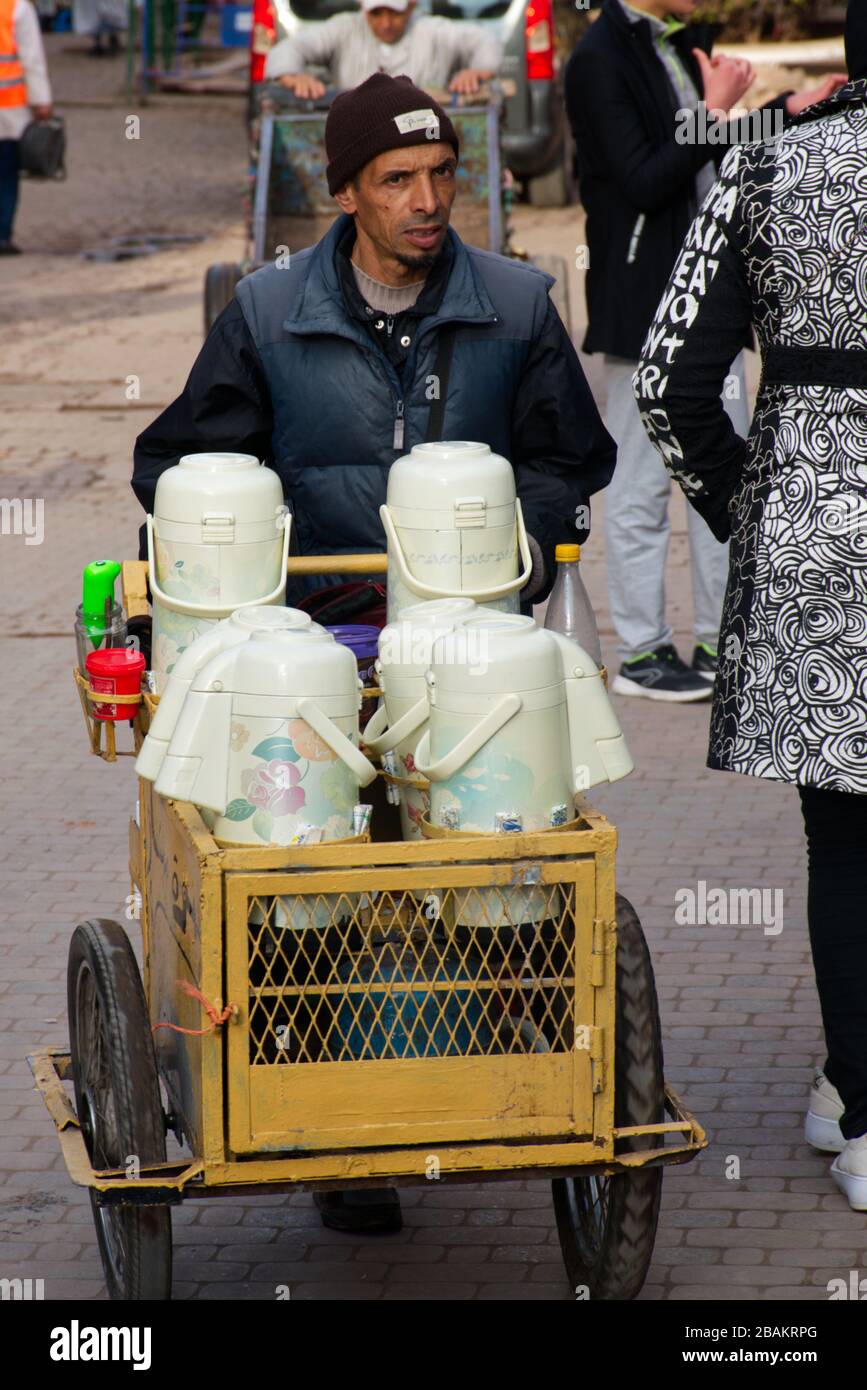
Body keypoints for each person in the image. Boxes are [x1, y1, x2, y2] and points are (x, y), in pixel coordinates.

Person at [133, 74, 617, 1228]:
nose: (429, 199)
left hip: (471, 652)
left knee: (497, 862)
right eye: (397, 180)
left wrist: (525, 556)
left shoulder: (515, 301)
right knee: (319, 879)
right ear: (342, 191)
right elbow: (178, 468)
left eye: (442, 173)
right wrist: (244, 585)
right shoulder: (264, 312)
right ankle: (339, 1123)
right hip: (309, 639)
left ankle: (504, 1052)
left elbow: (571, 461)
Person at [634, 2, 867, 1212]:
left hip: (819, 536)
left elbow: (671, 381)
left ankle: (860, 1103)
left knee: (846, 840)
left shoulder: (769, 163)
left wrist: (754, 515)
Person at [565, 0, 845, 702]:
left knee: (722, 469)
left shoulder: (681, 41)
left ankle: (724, 639)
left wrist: (788, 105)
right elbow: (644, 176)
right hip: (640, 300)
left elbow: (709, 148)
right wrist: (716, 108)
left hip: (709, 300)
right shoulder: (598, 57)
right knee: (639, 483)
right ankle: (640, 649)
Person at [264, 0, 501, 99]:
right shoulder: (345, 27)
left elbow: (486, 42)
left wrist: (477, 72)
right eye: (376, 13)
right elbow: (292, 47)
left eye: (394, 13)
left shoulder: (431, 29)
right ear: (363, 8)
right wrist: (293, 77)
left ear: (411, 6)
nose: (386, 23)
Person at [0, 0, 51, 254]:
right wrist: (41, 100)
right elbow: (31, 58)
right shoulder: (16, 7)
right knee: (6, 175)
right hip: (8, 109)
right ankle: (2, 235)